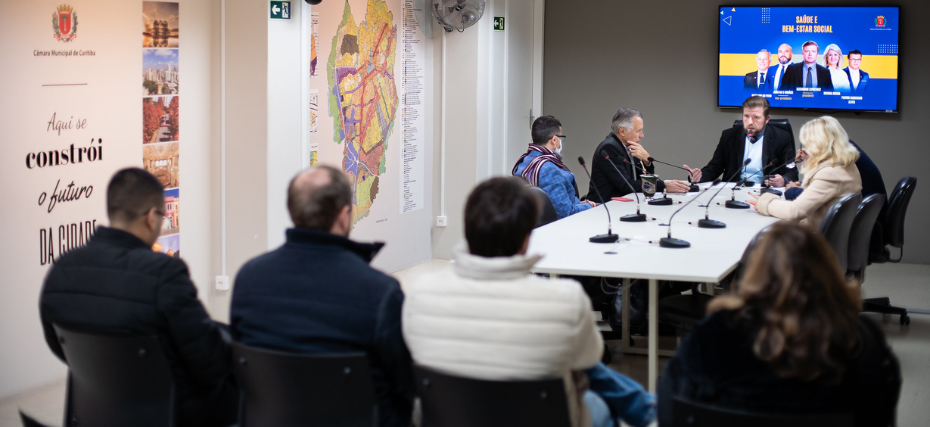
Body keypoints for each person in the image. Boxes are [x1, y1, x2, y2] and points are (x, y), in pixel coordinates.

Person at [403, 177, 657, 427]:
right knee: (595, 395)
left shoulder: (419, 295)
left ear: (467, 229)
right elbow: (590, 362)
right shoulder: (564, 300)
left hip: (455, 416)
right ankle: (652, 413)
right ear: (527, 238)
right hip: (547, 416)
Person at [39, 168, 235, 427]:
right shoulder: (165, 274)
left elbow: (61, 347)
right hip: (170, 414)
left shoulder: (62, 269)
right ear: (151, 217)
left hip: (95, 413)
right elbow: (211, 364)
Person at [658, 223, 900, 426]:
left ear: (752, 272)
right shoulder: (859, 336)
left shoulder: (715, 331)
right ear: (827, 270)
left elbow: (671, 407)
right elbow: (880, 413)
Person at [231, 165, 414, 427]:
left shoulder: (249, 278)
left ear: (293, 213)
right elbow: (404, 384)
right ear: (343, 216)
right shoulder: (380, 292)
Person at [749, 116, 862, 227]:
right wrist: (809, 162)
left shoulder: (830, 173)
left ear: (818, 145)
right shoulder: (846, 165)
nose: (803, 150)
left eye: (807, 145)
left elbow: (795, 211)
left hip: (815, 239)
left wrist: (764, 203)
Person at [684, 97, 797, 188]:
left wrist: (783, 180)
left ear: (767, 119)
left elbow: (792, 171)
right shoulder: (729, 136)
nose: (750, 122)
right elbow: (715, 167)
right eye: (746, 116)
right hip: (733, 190)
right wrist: (698, 177)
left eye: (756, 117)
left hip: (765, 191)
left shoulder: (781, 137)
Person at [589, 108, 690, 199]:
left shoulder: (630, 146)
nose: (642, 135)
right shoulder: (609, 148)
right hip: (604, 206)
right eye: (638, 131)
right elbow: (626, 186)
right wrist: (664, 186)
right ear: (622, 131)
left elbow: (643, 179)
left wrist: (647, 161)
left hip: (626, 203)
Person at [513, 115, 595, 219]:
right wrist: (589, 206)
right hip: (558, 227)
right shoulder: (549, 169)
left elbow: (555, 203)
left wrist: (579, 204)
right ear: (554, 140)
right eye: (561, 138)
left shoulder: (524, 162)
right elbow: (565, 213)